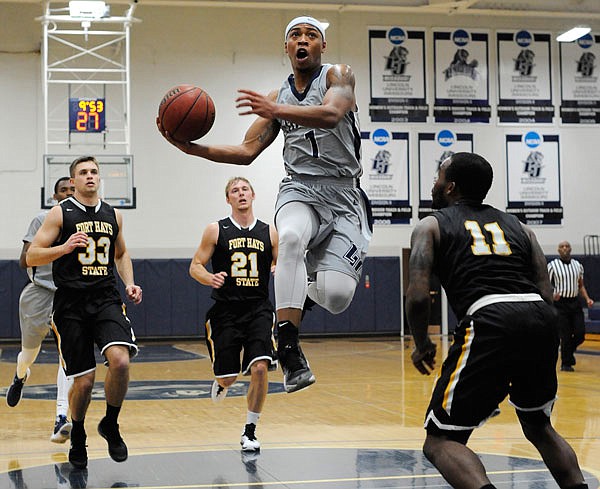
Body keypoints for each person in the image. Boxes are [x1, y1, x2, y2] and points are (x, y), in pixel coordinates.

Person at [158, 15, 372, 393]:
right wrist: (190, 148)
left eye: (311, 35)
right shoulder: (276, 98)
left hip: (345, 195)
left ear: (322, 46)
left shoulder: (338, 75)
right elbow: (245, 152)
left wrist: (275, 112)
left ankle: (304, 290)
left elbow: (331, 114)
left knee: (337, 298)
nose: (303, 40)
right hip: (300, 189)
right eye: (295, 35)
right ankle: (288, 346)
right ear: (286, 47)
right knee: (289, 238)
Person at [406, 152, 588, 489]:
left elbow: (417, 295)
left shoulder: (430, 225)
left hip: (490, 318)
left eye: (439, 177)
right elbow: (545, 291)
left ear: (451, 187)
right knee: (538, 425)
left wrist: (421, 344)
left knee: (441, 441)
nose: (435, 183)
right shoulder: (520, 227)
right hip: (540, 316)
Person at [26, 156, 143, 469]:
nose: (90, 177)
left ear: (99, 178)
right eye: (83, 173)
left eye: (94, 172)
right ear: (73, 181)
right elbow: (32, 256)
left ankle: (111, 423)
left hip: (105, 297)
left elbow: (121, 253)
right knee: (85, 382)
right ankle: (78, 433)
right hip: (71, 304)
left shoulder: (113, 214)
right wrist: (63, 248)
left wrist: (130, 282)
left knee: (120, 361)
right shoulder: (59, 213)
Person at [189, 176, 278, 452]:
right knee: (228, 376)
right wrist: (208, 278)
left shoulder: (270, 232)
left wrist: (279, 267)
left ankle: (250, 430)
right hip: (225, 311)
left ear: (253, 195)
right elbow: (195, 265)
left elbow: (282, 261)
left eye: (244, 190)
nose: (240, 194)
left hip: (258, 309)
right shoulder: (216, 230)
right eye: (234, 191)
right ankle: (222, 382)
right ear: (228, 199)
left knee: (260, 367)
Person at [6, 177, 75, 444]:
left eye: (72, 189)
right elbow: (25, 260)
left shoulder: (85, 224)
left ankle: (61, 417)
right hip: (39, 291)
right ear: (55, 197)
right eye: (64, 190)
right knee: (29, 352)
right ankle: (21, 374)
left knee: (67, 356)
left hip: (69, 296)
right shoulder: (41, 220)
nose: (69, 193)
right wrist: (61, 249)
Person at [547, 241, 594, 372]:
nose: (565, 248)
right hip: (560, 304)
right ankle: (566, 363)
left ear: (571, 249)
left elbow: (581, 285)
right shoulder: (552, 266)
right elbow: (546, 284)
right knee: (565, 335)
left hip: (575, 302)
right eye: (562, 246)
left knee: (580, 334)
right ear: (558, 250)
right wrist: (552, 295)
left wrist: (588, 298)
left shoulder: (578, 266)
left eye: (567, 246)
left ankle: (569, 352)